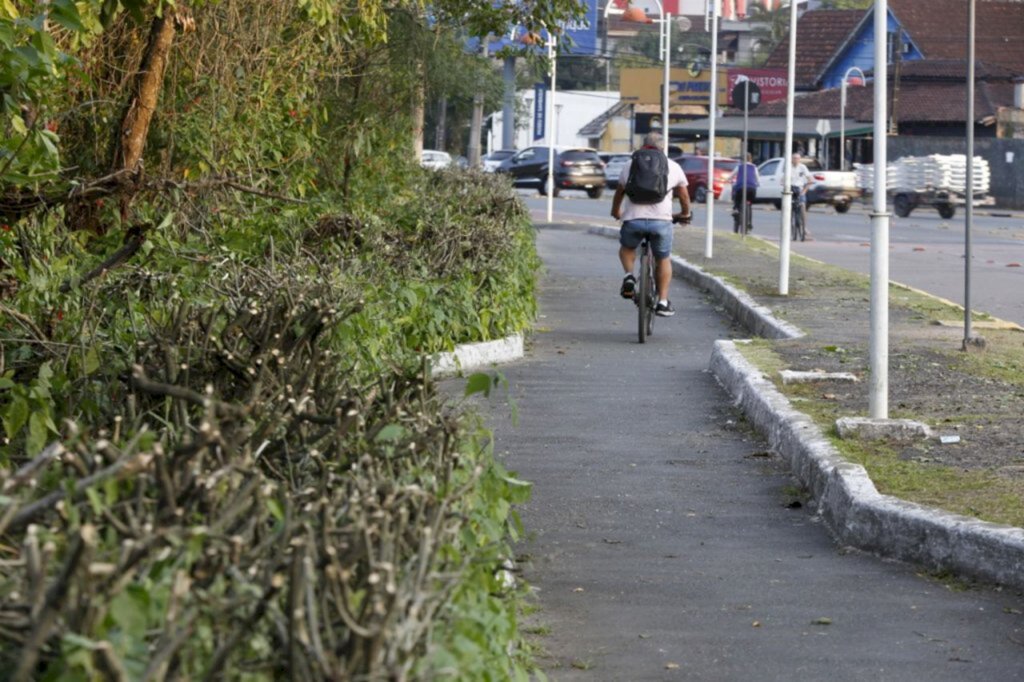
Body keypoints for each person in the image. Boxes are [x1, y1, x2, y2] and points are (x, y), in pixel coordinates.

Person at [610, 132, 691, 318]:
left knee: (627, 248)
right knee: (663, 258)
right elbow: (684, 196)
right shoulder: (673, 166)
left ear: (642, 145)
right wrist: (685, 214)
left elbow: (620, 192)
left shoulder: (630, 164)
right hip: (661, 221)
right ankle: (662, 302)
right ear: (663, 147)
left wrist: (616, 211)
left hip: (633, 220)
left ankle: (629, 276)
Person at [730, 152, 759, 233]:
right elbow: (757, 178)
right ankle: (749, 222)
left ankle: (736, 209)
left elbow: (731, 176)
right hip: (751, 189)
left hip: (741, 188)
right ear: (751, 159)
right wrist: (757, 184)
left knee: (737, 198)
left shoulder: (739, 167)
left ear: (742, 160)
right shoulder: (754, 167)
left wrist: (729, 181)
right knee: (749, 204)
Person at [790, 152, 814, 240]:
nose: (795, 160)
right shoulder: (789, 167)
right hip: (791, 189)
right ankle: (790, 227)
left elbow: (810, 179)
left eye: (797, 158)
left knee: (803, 206)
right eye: (794, 158)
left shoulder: (803, 167)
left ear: (800, 159)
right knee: (788, 208)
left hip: (800, 189)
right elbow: (783, 179)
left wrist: (804, 191)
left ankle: (804, 227)